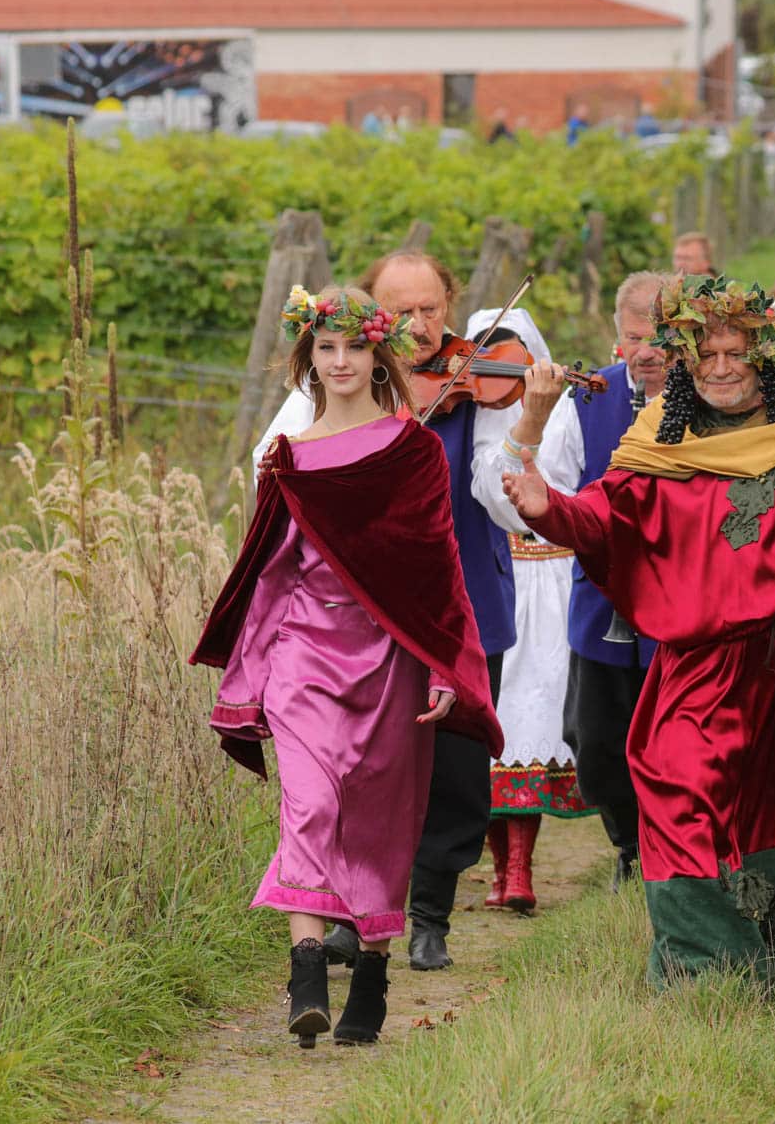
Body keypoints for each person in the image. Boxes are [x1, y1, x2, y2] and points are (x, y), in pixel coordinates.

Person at [501, 275, 775, 987]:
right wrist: (546, 507)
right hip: (699, 666)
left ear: (766, 358)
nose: (720, 368)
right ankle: (705, 975)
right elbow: (604, 516)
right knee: (679, 789)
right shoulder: (661, 439)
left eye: (735, 353)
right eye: (704, 354)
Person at [193, 286, 502, 1047]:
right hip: (304, 652)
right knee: (308, 804)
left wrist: (443, 667)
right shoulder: (287, 459)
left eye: (354, 348)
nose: (340, 362)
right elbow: (270, 573)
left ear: (378, 356)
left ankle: (371, 970)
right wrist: (252, 674)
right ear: (308, 359)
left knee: (379, 819)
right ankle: (305, 969)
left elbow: (438, 569)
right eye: (326, 349)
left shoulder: (413, 451)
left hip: (390, 658)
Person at [255, 253, 525, 974]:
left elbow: (497, 494)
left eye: (432, 309)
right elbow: (268, 467)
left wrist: (525, 423)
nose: (420, 326)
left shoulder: (479, 387)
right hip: (351, 620)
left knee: (456, 772)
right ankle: (353, 913)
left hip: (462, 599)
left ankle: (430, 915)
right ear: (376, 315)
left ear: (450, 306)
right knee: (354, 771)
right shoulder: (335, 375)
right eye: (402, 311)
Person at [482, 272, 668, 887]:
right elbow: (554, 486)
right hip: (602, 595)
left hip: (682, 598)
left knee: (671, 732)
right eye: (635, 338)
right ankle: (627, 843)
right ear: (617, 335)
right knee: (595, 739)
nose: (647, 352)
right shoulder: (589, 398)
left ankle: (670, 853)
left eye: (661, 338)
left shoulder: (707, 396)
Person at [462, 307, 595, 913]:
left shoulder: (565, 407)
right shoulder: (470, 409)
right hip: (494, 573)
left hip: (549, 574)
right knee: (494, 718)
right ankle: (502, 870)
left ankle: (518, 869)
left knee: (532, 716)